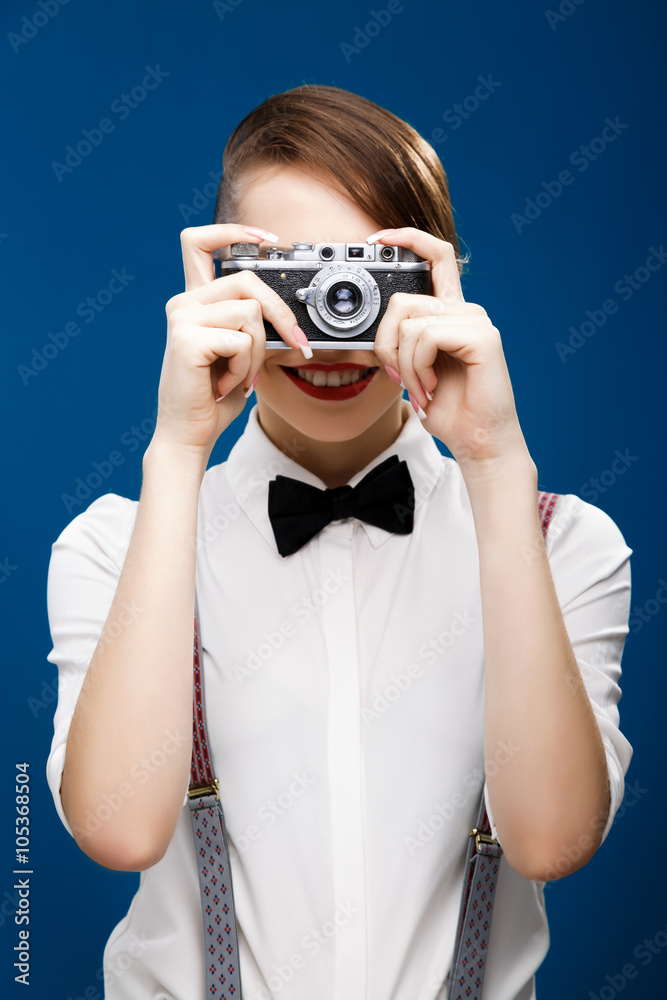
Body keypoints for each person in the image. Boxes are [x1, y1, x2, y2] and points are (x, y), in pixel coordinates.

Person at [45, 84, 633, 1000]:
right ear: (223, 287)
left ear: (441, 287)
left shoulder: (564, 545)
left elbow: (553, 840)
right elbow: (117, 831)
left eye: (367, 273)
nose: (332, 320)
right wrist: (177, 451)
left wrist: (493, 459)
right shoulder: (113, 544)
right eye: (293, 277)